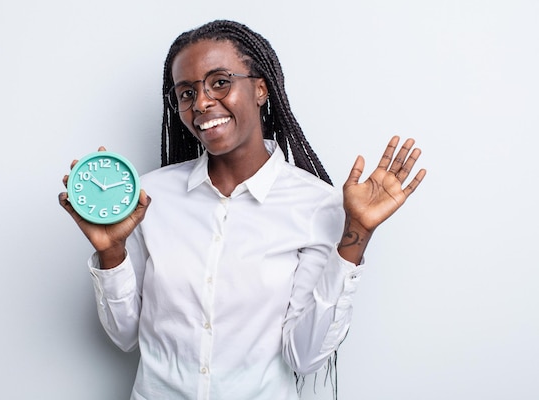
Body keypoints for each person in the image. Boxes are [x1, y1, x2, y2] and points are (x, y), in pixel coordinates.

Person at [59, 19, 426, 400]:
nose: (201, 102)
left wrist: (357, 235)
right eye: (186, 93)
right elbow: (125, 336)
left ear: (261, 89)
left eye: (220, 82)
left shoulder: (317, 206)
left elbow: (304, 356)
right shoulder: (150, 197)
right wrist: (111, 252)